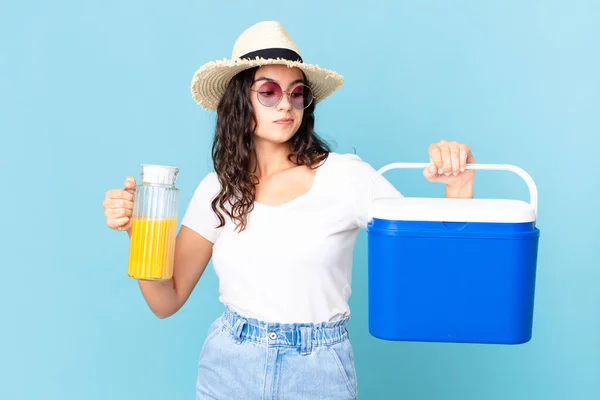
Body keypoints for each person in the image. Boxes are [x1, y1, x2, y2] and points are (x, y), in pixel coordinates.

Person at [102, 21, 476, 400]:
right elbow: (167, 300)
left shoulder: (346, 176)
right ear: (239, 101)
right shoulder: (217, 190)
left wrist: (458, 186)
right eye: (268, 91)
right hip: (229, 367)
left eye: (297, 94)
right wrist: (138, 233)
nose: (285, 103)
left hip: (317, 372)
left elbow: (434, 261)